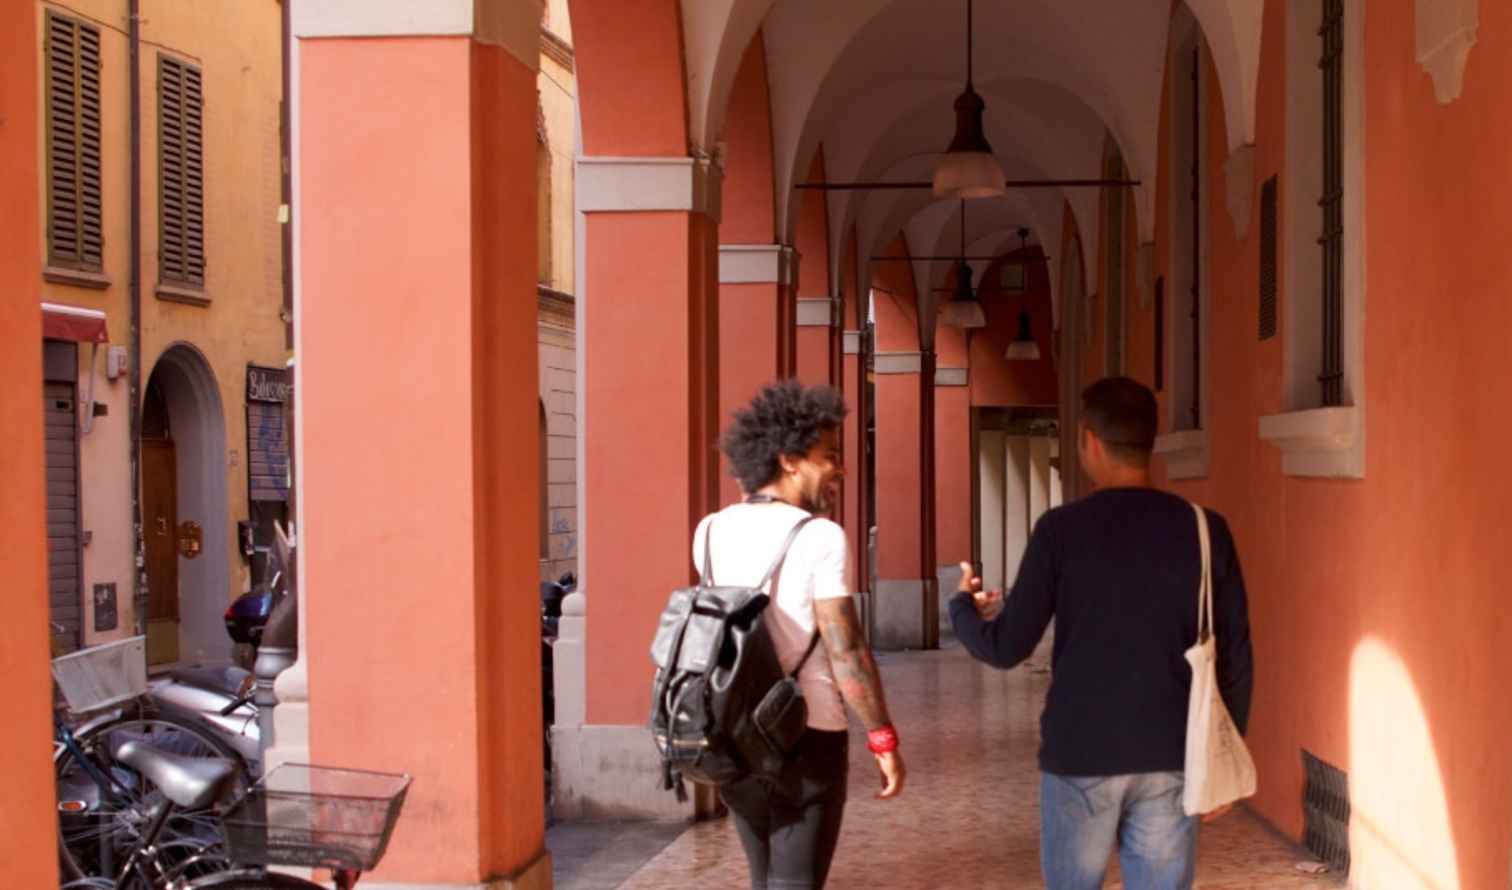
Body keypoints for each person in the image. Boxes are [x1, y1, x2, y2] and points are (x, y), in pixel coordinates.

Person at [950, 376, 1253, 890]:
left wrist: (961, 607)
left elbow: (1005, 648)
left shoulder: (1059, 531)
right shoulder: (1206, 529)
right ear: (1149, 441)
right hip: (1170, 752)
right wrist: (1227, 751)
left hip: (1080, 753)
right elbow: (1236, 655)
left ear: (1089, 438)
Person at [697, 379, 905, 890]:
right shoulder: (821, 537)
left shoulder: (710, 529)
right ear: (789, 459)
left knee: (763, 876)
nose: (840, 467)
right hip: (808, 734)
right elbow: (846, 649)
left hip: (738, 733)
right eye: (828, 455)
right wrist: (882, 736)